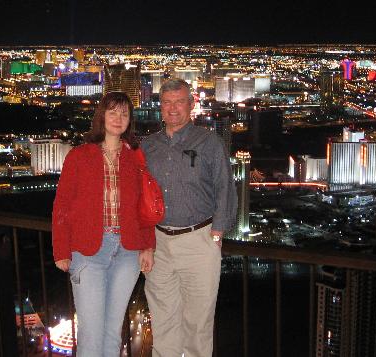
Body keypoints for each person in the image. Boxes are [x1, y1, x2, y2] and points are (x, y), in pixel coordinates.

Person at [52, 91, 155, 357]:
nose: (118, 118)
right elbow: (62, 205)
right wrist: (61, 250)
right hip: (88, 251)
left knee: (112, 331)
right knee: (91, 332)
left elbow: (143, 207)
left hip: (127, 250)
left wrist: (148, 246)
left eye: (124, 113)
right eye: (112, 112)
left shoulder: (135, 158)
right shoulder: (79, 156)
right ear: (102, 116)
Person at [141, 78, 237, 357]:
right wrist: (145, 239)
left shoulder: (209, 143)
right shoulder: (148, 146)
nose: (173, 109)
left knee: (198, 324)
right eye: (167, 102)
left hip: (199, 240)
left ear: (191, 105)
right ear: (159, 107)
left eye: (179, 102)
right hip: (158, 243)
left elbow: (225, 187)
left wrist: (217, 233)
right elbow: (139, 195)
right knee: (163, 322)